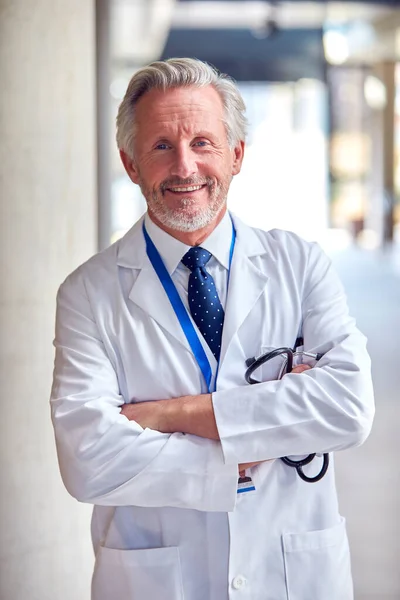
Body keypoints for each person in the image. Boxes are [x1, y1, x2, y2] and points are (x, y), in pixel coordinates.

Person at [50, 57, 374, 600]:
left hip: (293, 574)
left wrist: (173, 416)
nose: (184, 167)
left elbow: (348, 406)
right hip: (160, 582)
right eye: (161, 146)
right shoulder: (88, 294)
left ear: (237, 155)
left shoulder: (300, 265)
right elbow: (88, 459)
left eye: (203, 142)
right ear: (130, 164)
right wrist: (243, 447)